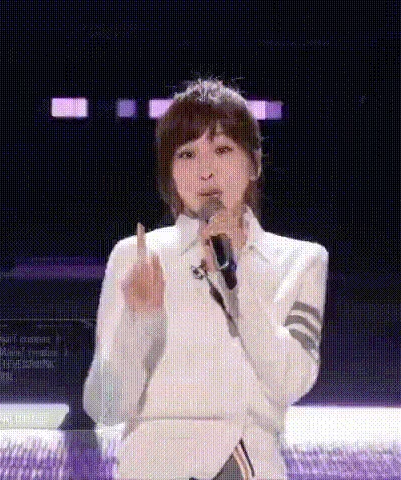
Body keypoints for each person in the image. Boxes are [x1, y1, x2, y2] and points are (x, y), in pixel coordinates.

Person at [83, 78, 329, 479]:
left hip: (248, 463)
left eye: (223, 149)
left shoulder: (300, 261)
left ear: (255, 163)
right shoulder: (136, 256)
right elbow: (105, 408)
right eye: (186, 154)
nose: (206, 171)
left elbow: (291, 382)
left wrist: (238, 285)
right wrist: (139, 322)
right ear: (170, 173)